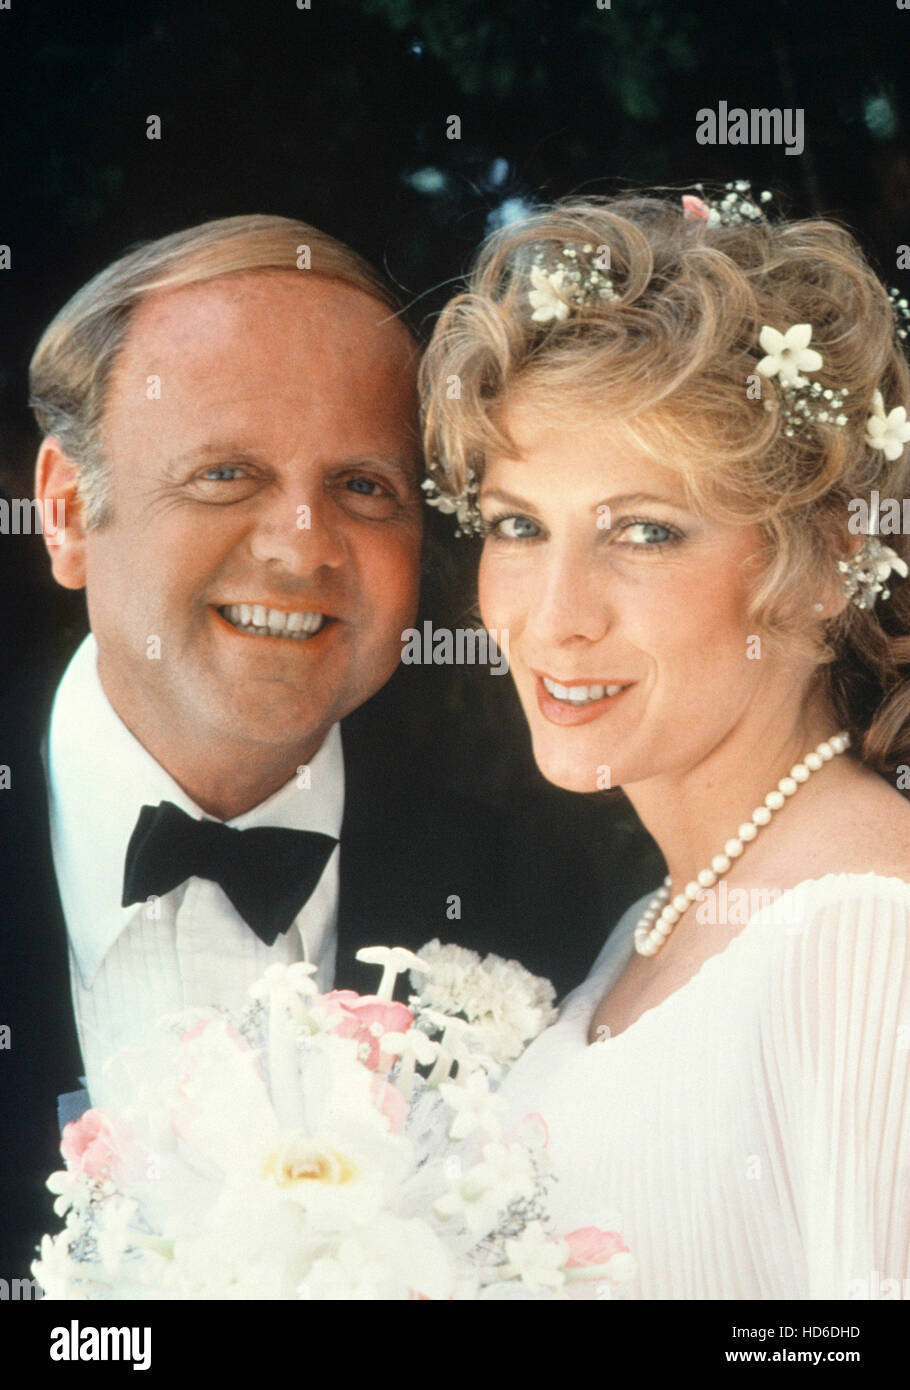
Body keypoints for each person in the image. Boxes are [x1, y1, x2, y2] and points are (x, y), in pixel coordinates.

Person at [0, 215, 650, 1278]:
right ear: (68, 512)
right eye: (225, 473)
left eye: (362, 486)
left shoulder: (567, 919)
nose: (301, 548)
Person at [420, 190, 910, 1299]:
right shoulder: (648, 928)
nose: (555, 617)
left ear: (824, 564)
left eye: (643, 532)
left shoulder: (866, 939)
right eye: (518, 526)